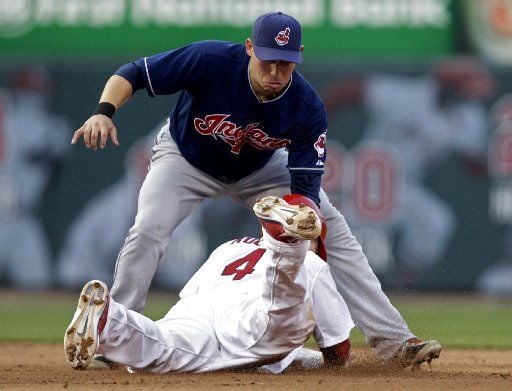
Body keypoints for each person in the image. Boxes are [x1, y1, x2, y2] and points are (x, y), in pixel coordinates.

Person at [71, 11, 440, 366]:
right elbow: (134, 73)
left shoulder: (307, 107)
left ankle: (394, 341)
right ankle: (115, 334)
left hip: (260, 170)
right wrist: (104, 111)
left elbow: (306, 192)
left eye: (286, 62)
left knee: (334, 229)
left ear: (299, 58)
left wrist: (306, 230)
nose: (277, 72)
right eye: (268, 61)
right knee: (148, 228)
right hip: (185, 160)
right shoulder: (209, 59)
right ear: (249, 48)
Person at [65, 195, 354, 373]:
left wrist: (298, 359)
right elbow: (337, 351)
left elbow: (190, 295)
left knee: (163, 347)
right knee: (280, 318)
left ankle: (112, 321)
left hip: (199, 307)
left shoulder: (231, 246)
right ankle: (287, 248)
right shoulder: (313, 264)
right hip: (252, 312)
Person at [322, 57, 495, 286]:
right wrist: (315, 121)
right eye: (463, 87)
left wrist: (491, 161)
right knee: (354, 243)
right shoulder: (409, 94)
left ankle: (402, 282)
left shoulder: (468, 117)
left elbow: (474, 164)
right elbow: (349, 90)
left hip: (406, 185)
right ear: (447, 84)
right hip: (368, 181)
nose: (467, 95)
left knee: (436, 221)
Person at [57, 125, 207, 291]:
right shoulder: (106, 215)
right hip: (100, 292)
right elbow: (74, 276)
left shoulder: (185, 211)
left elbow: (180, 282)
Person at [0, 66, 70, 288]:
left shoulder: (53, 127)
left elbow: (56, 155)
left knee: (39, 286)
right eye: (28, 85)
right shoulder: (10, 116)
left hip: (22, 218)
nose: (34, 92)